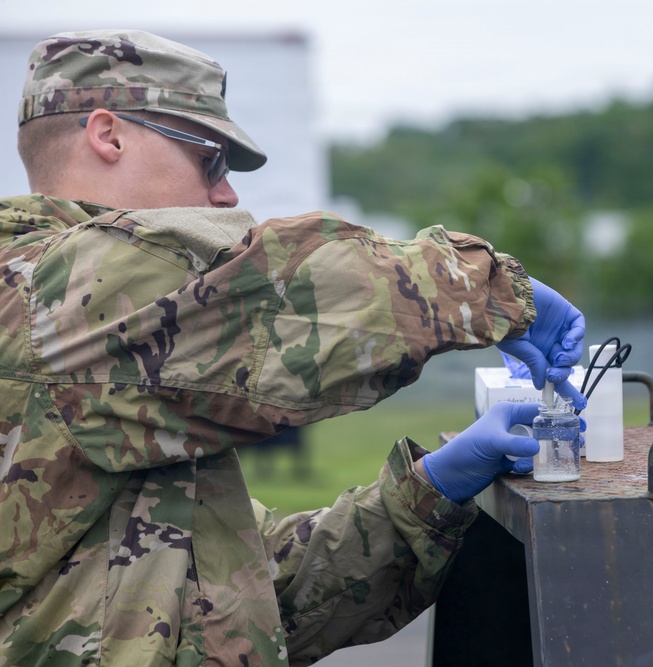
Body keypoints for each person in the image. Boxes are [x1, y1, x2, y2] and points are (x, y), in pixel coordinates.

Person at [0, 30, 586, 665]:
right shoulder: (37, 295)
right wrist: (485, 288)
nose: (226, 195)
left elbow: (242, 598)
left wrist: (430, 492)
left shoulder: (98, 357)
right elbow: (282, 298)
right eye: (211, 161)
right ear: (108, 135)